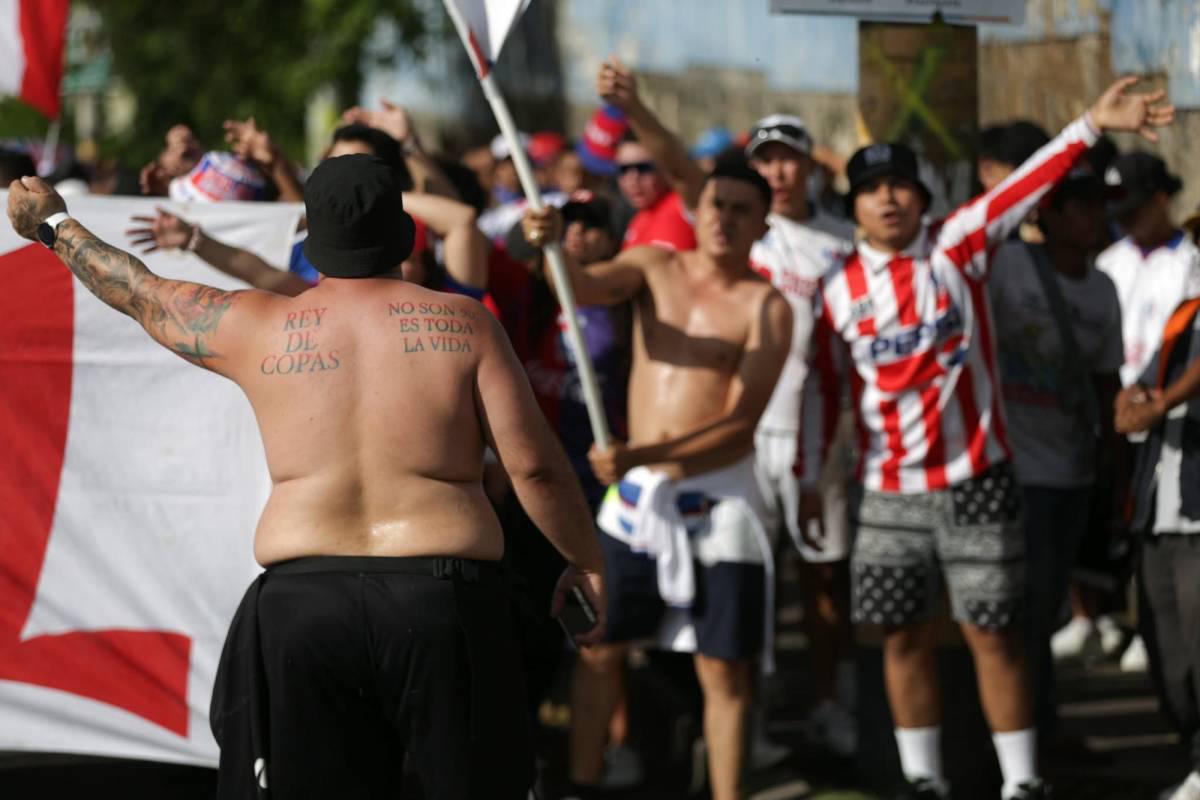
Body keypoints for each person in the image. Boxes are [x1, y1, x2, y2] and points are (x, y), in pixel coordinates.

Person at [6, 154, 606, 800]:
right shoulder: (465, 327)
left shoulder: (259, 326)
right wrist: (585, 561)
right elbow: (534, 468)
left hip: (304, 606)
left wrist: (54, 225)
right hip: (442, 601)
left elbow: (139, 292)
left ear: (314, 238)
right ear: (404, 235)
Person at [799, 77, 1172, 800]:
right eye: (870, 190)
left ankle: (1022, 782)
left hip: (980, 481)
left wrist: (1092, 123)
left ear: (923, 197)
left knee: (996, 635)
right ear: (854, 207)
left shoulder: (960, 245)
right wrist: (814, 479)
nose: (887, 199)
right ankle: (923, 779)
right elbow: (824, 392)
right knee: (901, 638)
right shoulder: (835, 286)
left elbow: (1027, 186)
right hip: (886, 493)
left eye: (900, 186)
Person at [524, 160, 793, 800]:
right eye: (716, 204)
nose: (724, 219)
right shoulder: (653, 265)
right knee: (599, 647)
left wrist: (641, 452)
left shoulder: (768, 307)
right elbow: (579, 287)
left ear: (763, 224)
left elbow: (740, 425)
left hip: (722, 503)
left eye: (742, 210)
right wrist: (550, 245)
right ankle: (583, 786)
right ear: (699, 210)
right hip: (637, 498)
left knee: (724, 670)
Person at [986, 165, 1124, 746]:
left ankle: (1038, 724)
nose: (1095, 217)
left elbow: (1107, 383)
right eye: (1081, 205)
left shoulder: (1103, 290)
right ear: (1047, 214)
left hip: (1072, 473)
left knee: (1044, 607)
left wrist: (1114, 470)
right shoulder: (1008, 266)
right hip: (1011, 470)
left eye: (1099, 205)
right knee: (1022, 606)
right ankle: (1029, 730)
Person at [744, 114, 859, 758]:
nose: (777, 172)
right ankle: (751, 717)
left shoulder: (844, 241)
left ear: (811, 166)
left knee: (824, 579)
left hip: (822, 434)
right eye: (765, 160)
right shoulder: (739, 235)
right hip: (746, 436)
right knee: (751, 581)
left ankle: (827, 702)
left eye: (789, 159)